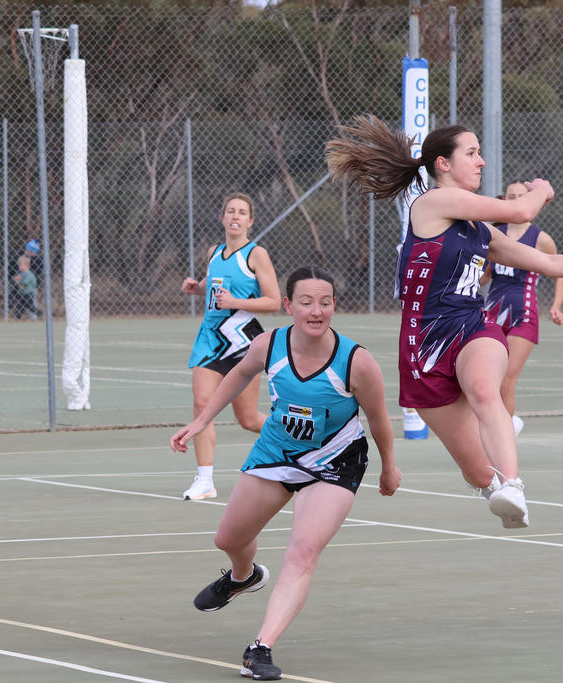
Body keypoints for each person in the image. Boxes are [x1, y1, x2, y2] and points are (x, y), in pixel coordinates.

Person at [325, 114, 563, 528]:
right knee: (474, 471)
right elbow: (523, 207)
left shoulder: (480, 230)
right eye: (472, 153)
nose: (482, 161)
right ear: (443, 165)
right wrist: (540, 189)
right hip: (423, 344)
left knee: (486, 389)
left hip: (472, 325)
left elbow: (546, 261)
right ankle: (497, 489)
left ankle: (514, 487)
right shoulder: (433, 203)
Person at [171, 266, 400, 681]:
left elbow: (380, 419)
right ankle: (244, 576)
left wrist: (389, 466)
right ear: (289, 305)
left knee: (302, 553)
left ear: (334, 305)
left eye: (326, 302)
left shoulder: (356, 361)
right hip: (276, 452)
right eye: (307, 302)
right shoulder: (268, 344)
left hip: (335, 461)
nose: (317, 311)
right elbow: (238, 375)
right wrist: (202, 421)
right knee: (228, 538)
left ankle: (260, 647)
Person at [179, 192, 281, 500]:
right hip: (210, 340)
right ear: (222, 218)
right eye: (230, 211)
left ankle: (298, 442)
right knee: (202, 405)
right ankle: (205, 479)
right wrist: (197, 289)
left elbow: (274, 301)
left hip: (243, 343)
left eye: (241, 213)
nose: (235, 216)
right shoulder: (213, 253)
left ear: (250, 221)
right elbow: (215, 293)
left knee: (248, 418)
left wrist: (236, 302)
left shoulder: (256, 255)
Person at [481, 179, 563, 436]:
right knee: (489, 379)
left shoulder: (540, 239)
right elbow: (485, 276)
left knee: (506, 381)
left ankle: (503, 436)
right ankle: (506, 424)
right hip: (493, 311)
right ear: (504, 200)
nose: (516, 199)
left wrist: (556, 305)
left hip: (523, 314)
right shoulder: (494, 235)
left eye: (522, 195)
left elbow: (559, 272)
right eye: (511, 196)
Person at [11, 255, 40, 320]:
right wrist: (16, 280)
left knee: (31, 305)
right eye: (19, 265)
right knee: (21, 306)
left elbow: (24, 283)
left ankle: (34, 316)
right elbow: (19, 282)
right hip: (23, 294)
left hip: (30, 293)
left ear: (27, 266)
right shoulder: (21, 274)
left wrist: (18, 282)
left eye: (21, 265)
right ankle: (18, 317)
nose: (20, 267)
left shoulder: (29, 274)